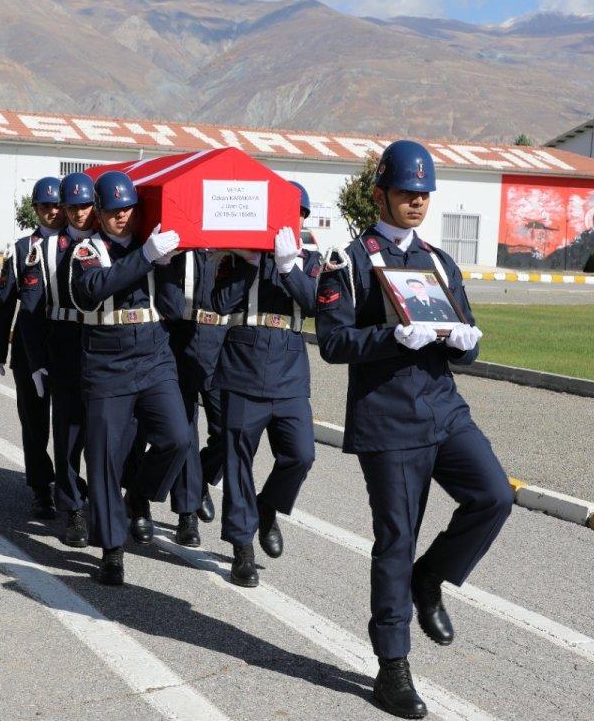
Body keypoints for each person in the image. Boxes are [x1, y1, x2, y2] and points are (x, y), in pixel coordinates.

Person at [315, 140, 513, 719]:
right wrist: (387, 338)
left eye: (424, 194)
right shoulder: (348, 261)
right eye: (407, 193)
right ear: (381, 194)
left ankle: (432, 578)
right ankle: (392, 666)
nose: (417, 202)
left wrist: (468, 341)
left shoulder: (438, 260)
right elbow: (331, 342)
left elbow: (463, 330)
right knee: (395, 540)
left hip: (443, 409)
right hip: (389, 419)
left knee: (494, 496)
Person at [69, 171, 187, 585]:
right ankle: (112, 549)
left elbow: (172, 308)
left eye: (128, 210)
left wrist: (171, 265)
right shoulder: (86, 249)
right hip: (107, 359)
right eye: (114, 211)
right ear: (99, 213)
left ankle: (138, 494)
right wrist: (147, 257)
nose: (122, 218)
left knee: (177, 437)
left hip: (153, 353)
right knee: (103, 457)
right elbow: (93, 289)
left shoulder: (148, 248)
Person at [212, 181, 321, 588]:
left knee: (301, 454)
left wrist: (288, 266)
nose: (291, 222)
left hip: (289, 370)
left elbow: (313, 305)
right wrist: (250, 263)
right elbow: (219, 303)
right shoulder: (238, 255)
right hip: (243, 364)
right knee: (237, 460)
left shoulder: (311, 259)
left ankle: (268, 507)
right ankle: (241, 547)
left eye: (298, 215)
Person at [128, 245, 232, 548]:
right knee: (183, 428)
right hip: (177, 338)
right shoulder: (179, 245)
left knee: (229, 430)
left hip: (221, 340)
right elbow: (170, 305)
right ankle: (187, 516)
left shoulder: (233, 245)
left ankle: (198, 481)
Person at [0, 177, 62, 519]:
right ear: (35, 209)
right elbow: (5, 301)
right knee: (35, 423)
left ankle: (68, 483)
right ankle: (40, 487)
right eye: (45, 205)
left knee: (68, 421)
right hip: (27, 351)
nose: (52, 211)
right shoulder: (21, 250)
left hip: (65, 348)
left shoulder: (77, 244)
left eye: (57, 204)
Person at [40, 172, 97, 547]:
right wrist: (37, 360)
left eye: (85, 206)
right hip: (62, 345)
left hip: (103, 345)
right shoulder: (48, 248)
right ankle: (74, 508)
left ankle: (108, 498)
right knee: (67, 435)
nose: (78, 214)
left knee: (109, 431)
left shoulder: (105, 243)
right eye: (71, 206)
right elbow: (34, 311)